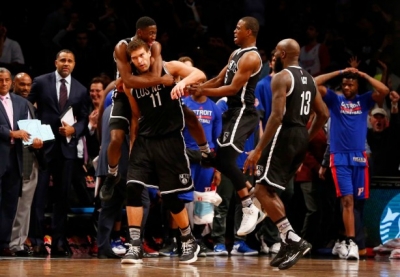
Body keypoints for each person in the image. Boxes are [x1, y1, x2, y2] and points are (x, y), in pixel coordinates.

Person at [100, 16, 211, 202]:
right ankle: (112, 174)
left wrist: (176, 82)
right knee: (116, 138)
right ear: (139, 32)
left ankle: (206, 152)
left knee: (188, 115)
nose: (153, 36)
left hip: (149, 89)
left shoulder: (156, 47)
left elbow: (156, 73)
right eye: (150, 33)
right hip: (126, 92)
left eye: (155, 33)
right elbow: (128, 81)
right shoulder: (121, 47)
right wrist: (161, 80)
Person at [243, 38, 329, 270]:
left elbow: (277, 116)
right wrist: (304, 140)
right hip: (301, 134)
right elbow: (323, 114)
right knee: (270, 190)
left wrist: (258, 149)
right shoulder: (310, 80)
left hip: (286, 132)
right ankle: (286, 239)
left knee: (261, 188)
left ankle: (291, 237)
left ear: (281, 54)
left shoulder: (282, 77)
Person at [120, 38, 206, 265]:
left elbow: (200, 74)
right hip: (145, 141)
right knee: (132, 188)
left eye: (142, 55)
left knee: (170, 197)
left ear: (150, 53)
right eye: (134, 58)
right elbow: (136, 116)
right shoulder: (131, 83)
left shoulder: (171, 67)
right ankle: (134, 245)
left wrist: (181, 83)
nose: (139, 61)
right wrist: (132, 147)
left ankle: (188, 239)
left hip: (170, 141)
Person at [183, 16, 263, 237]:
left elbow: (232, 89)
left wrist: (203, 91)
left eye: (239, 28)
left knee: (225, 161)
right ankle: (251, 203)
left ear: (249, 32)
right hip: (230, 113)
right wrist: (196, 88)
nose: (234, 30)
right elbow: (219, 80)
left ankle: (249, 207)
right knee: (215, 160)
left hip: (243, 112)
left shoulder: (251, 58)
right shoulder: (235, 54)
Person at [314, 67, 389, 260]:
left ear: (357, 86)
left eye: (351, 83)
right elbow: (314, 82)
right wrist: (339, 72)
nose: (347, 86)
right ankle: (351, 242)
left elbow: (384, 91)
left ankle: (344, 240)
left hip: (360, 157)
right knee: (346, 201)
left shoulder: (363, 100)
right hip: (339, 157)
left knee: (356, 203)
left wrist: (363, 75)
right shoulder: (334, 99)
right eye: (345, 84)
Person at [28, 49, 89, 257]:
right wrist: (34, 134)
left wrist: (75, 130)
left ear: (74, 64)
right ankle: (36, 242)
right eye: (62, 60)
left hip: (67, 150)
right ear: (56, 62)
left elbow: (84, 119)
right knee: (39, 197)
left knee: (62, 199)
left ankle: (60, 243)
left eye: (70, 61)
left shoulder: (81, 90)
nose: (66, 63)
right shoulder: (41, 82)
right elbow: (29, 108)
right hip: (43, 147)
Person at [9, 72, 45, 256]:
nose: (25, 88)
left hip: (31, 158)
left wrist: (38, 141)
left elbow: (32, 134)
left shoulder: (30, 105)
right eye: (21, 84)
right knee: (15, 203)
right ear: (13, 84)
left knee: (25, 204)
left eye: (28, 85)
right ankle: (12, 242)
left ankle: (19, 243)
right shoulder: (10, 103)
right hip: (15, 159)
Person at [0, 67, 31, 256]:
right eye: (0, 80)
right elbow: (12, 130)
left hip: (16, 156)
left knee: (10, 202)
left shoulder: (21, 102)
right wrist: (10, 133)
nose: (3, 83)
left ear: (11, 83)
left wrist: (36, 138)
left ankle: (4, 243)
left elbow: (28, 127)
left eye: (6, 80)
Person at [367, 92, 400, 177]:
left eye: (381, 117)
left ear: (386, 121)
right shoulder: (366, 135)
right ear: (370, 120)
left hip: (390, 180)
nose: (379, 120)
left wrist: (394, 103)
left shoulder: (390, 134)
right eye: (376, 117)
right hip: (370, 180)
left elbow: (395, 122)